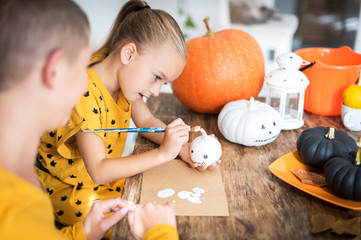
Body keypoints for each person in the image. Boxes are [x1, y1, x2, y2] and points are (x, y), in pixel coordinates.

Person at [35, 0, 221, 237]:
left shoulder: (124, 77)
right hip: (71, 191)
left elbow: (146, 122)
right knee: (127, 224)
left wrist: (182, 148)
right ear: (129, 53)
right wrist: (163, 153)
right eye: (156, 77)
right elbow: (99, 171)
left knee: (149, 201)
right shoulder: (85, 93)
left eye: (163, 83)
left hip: (102, 181)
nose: (156, 91)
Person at [0, 0, 179, 239]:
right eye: (79, 68)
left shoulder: (22, 197)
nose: (86, 80)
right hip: (77, 192)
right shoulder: (20, 210)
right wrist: (161, 232)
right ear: (53, 71)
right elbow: (99, 170)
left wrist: (80, 234)